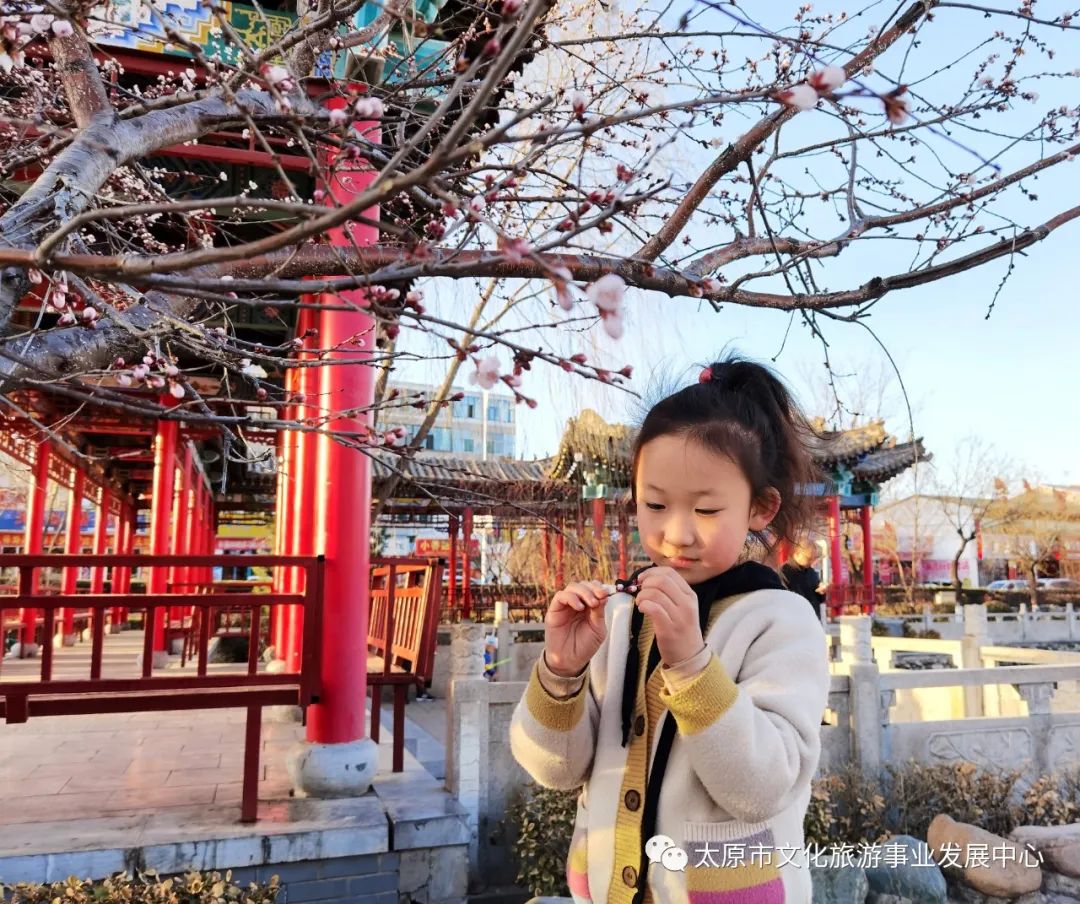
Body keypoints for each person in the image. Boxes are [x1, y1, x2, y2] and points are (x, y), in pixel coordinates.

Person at [510, 355, 831, 904]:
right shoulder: (621, 616)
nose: (676, 534)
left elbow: (763, 787)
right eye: (654, 504)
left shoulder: (780, 621)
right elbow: (556, 770)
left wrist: (689, 664)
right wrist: (560, 671)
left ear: (760, 507)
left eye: (706, 510)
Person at [781, 543, 827, 616]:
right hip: (796, 618)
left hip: (813, 618)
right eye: (809, 558)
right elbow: (783, 600)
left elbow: (819, 599)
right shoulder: (784, 572)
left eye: (814, 558)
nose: (812, 562)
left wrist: (822, 592)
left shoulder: (812, 572)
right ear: (797, 554)